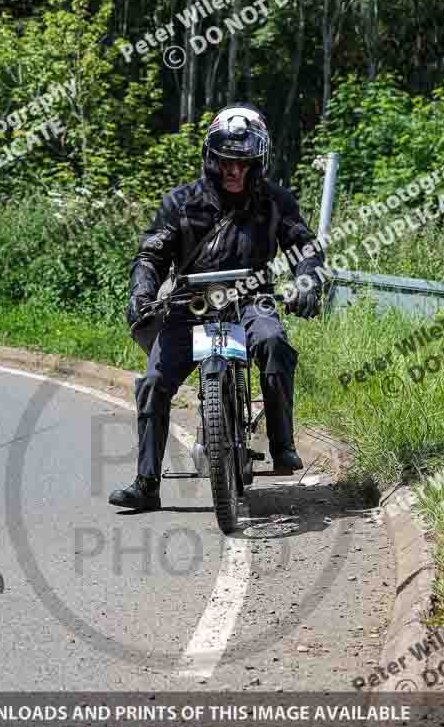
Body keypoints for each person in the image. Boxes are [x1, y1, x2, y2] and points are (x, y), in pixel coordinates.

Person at [108, 103, 324, 511]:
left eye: (243, 163)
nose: (234, 171)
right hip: (189, 304)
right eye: (226, 161)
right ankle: (146, 482)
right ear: (211, 158)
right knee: (154, 381)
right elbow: (151, 255)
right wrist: (141, 292)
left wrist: (307, 280)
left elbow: (304, 247)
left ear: (257, 162)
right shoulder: (181, 202)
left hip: (250, 299)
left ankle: (282, 442)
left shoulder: (275, 201)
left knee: (274, 341)